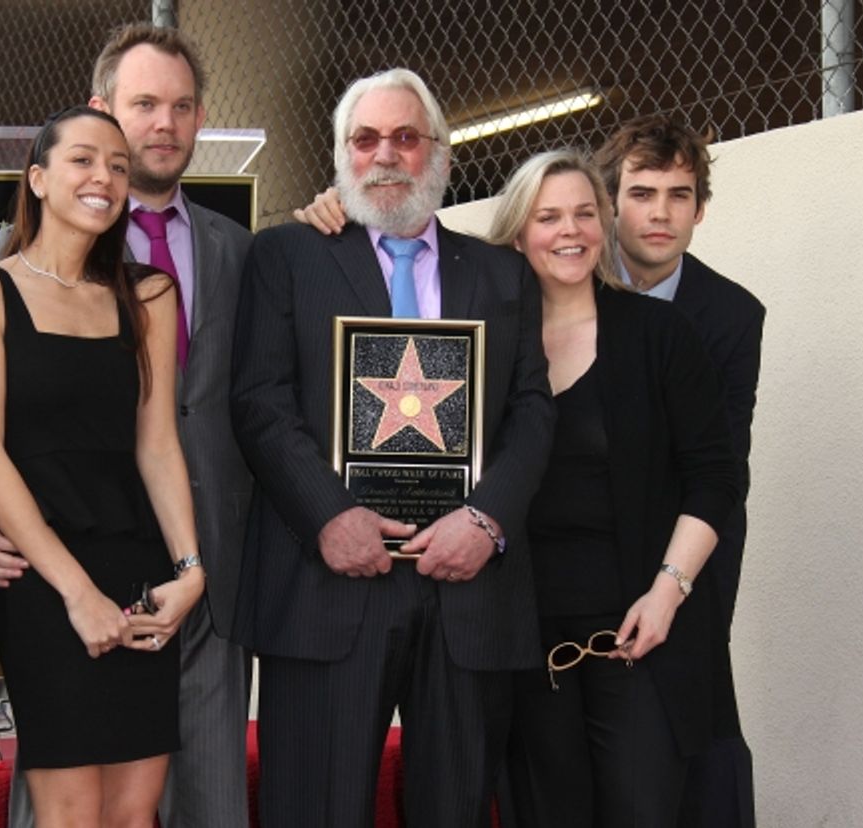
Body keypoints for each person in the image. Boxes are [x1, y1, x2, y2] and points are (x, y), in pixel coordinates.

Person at [230, 68, 555, 827]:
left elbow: (532, 412)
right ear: (341, 155)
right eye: (365, 139)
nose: (385, 156)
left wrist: (486, 522)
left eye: (406, 138)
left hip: (468, 592)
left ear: (438, 153)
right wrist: (328, 516)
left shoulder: (504, 274)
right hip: (327, 587)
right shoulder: (285, 257)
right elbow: (260, 402)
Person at [0, 23, 255, 828]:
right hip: (60, 569)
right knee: (64, 806)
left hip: (194, 567)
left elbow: (187, 422)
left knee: (194, 797)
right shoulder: (1, 268)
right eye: (143, 105)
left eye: (180, 106)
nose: (163, 123)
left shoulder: (238, 253)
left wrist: (194, 562)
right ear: (102, 108)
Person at [0, 104, 205, 827]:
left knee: (134, 813)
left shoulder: (148, 292)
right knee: (69, 816)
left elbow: (157, 445)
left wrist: (190, 571)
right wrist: (76, 592)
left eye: (119, 167)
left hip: (139, 575)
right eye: (84, 160)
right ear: (38, 178)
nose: (105, 177)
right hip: (46, 582)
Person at [480, 149, 738, 826]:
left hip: (637, 638)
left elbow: (716, 478)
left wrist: (667, 593)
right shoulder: (486, 348)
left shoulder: (659, 334)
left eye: (585, 213)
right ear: (517, 233)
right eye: (549, 216)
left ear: (603, 225)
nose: (570, 231)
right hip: (522, 644)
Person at [593, 115, 764, 828]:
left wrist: (673, 581)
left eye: (679, 194)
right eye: (641, 192)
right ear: (610, 203)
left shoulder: (730, 315)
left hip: (684, 556)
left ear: (700, 208)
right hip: (581, 550)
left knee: (684, 744)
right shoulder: (566, 290)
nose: (661, 212)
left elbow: (719, 466)